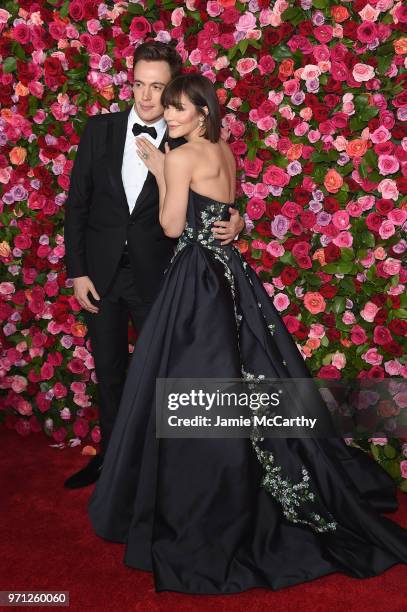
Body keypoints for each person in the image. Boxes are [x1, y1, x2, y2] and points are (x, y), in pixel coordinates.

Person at [88, 73, 407, 594]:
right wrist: (180, 178)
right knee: (247, 374)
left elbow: (172, 227)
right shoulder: (223, 149)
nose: (168, 115)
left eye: (178, 108)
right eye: (166, 107)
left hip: (193, 279)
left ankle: (209, 490)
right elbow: (223, 205)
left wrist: (163, 169)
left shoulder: (180, 155)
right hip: (230, 275)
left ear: (202, 113)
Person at [63, 42, 244, 489]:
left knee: (166, 377)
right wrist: (78, 270)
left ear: (173, 90)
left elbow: (208, 198)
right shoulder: (99, 129)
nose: (146, 97)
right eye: (139, 84)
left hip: (161, 278)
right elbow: (78, 205)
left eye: (157, 87)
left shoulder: (186, 138)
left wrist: (235, 220)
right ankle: (110, 461)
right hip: (101, 275)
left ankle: (157, 468)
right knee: (109, 371)